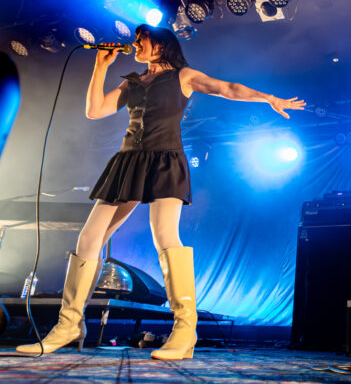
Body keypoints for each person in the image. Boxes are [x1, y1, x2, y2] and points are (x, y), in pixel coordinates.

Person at [17, 25, 305, 358]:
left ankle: (185, 331)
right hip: (128, 161)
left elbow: (227, 88)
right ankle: (70, 324)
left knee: (165, 236)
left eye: (142, 39)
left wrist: (268, 98)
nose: (135, 44)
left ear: (161, 46)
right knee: (89, 238)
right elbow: (95, 110)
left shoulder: (183, 76)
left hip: (165, 160)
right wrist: (100, 67)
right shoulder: (132, 81)